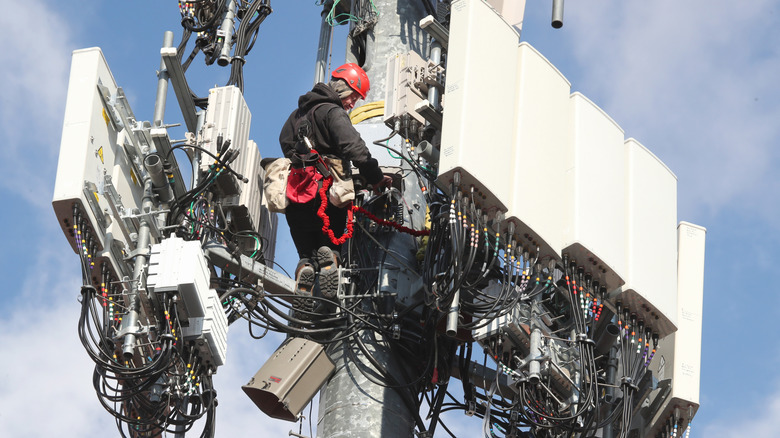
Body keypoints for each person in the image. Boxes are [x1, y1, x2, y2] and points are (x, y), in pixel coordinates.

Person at [279, 63, 392, 300]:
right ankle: (331, 263)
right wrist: (376, 178)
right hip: (327, 195)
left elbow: (284, 142)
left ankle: (305, 270)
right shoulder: (333, 112)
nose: (353, 104)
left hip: (296, 196)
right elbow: (354, 147)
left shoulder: (296, 116)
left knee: (306, 253)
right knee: (331, 244)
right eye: (353, 97)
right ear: (343, 88)